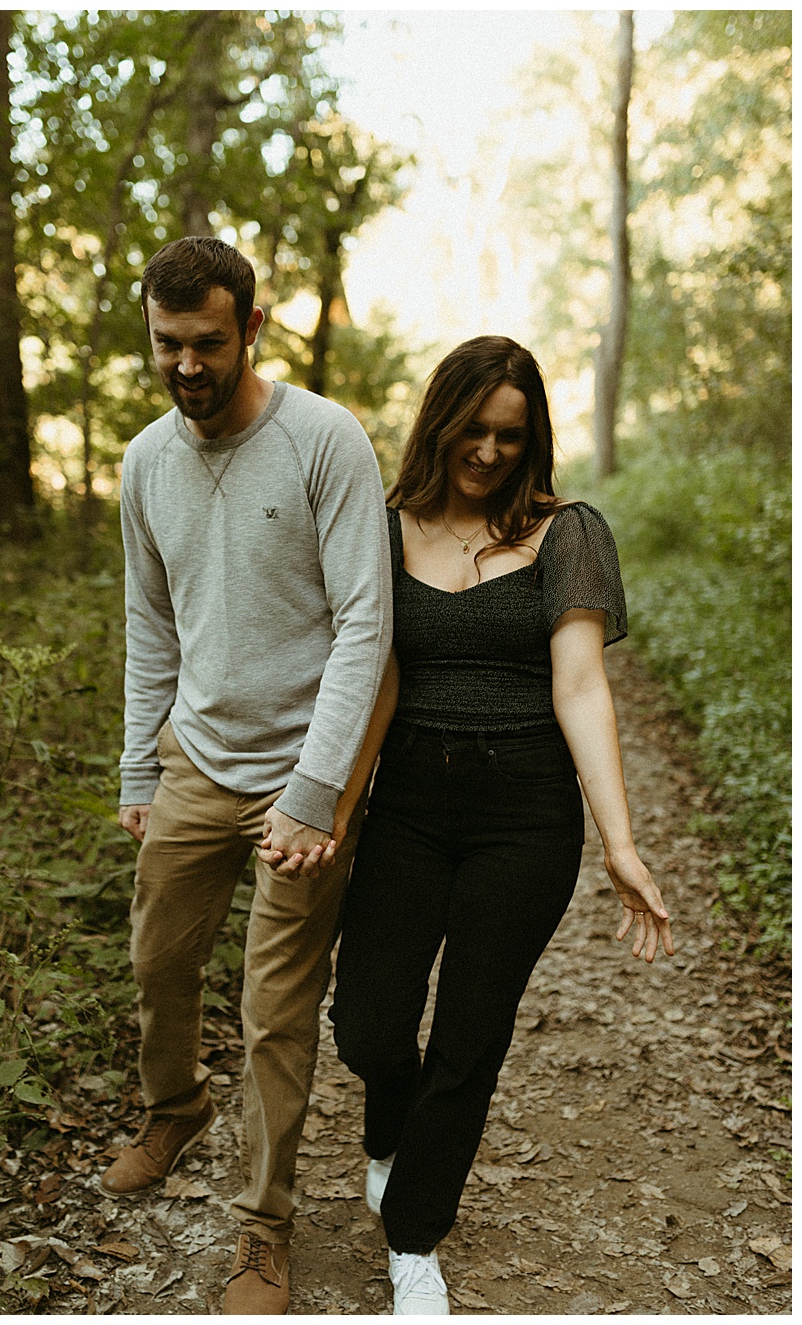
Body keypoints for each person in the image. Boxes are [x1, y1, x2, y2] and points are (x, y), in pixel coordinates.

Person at [327, 336, 675, 1314]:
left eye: (509, 434)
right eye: (473, 428)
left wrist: (621, 843)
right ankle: (389, 1129)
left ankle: (415, 1241)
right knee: (366, 1025)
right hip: (409, 808)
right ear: (441, 421)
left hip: (523, 815)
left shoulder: (569, 532)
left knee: (471, 1038)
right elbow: (368, 677)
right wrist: (335, 808)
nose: (487, 449)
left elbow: (580, 686)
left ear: (534, 438)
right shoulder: (385, 526)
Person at [108, 236, 392, 1313]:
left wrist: (318, 791)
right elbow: (150, 622)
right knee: (157, 962)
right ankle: (173, 1106)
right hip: (195, 764)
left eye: (207, 342)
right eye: (168, 343)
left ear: (251, 330)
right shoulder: (145, 463)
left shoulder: (324, 440)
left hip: (302, 779)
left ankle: (263, 1229)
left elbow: (367, 622)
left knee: (276, 1007)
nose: (187, 363)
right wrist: (142, 761)